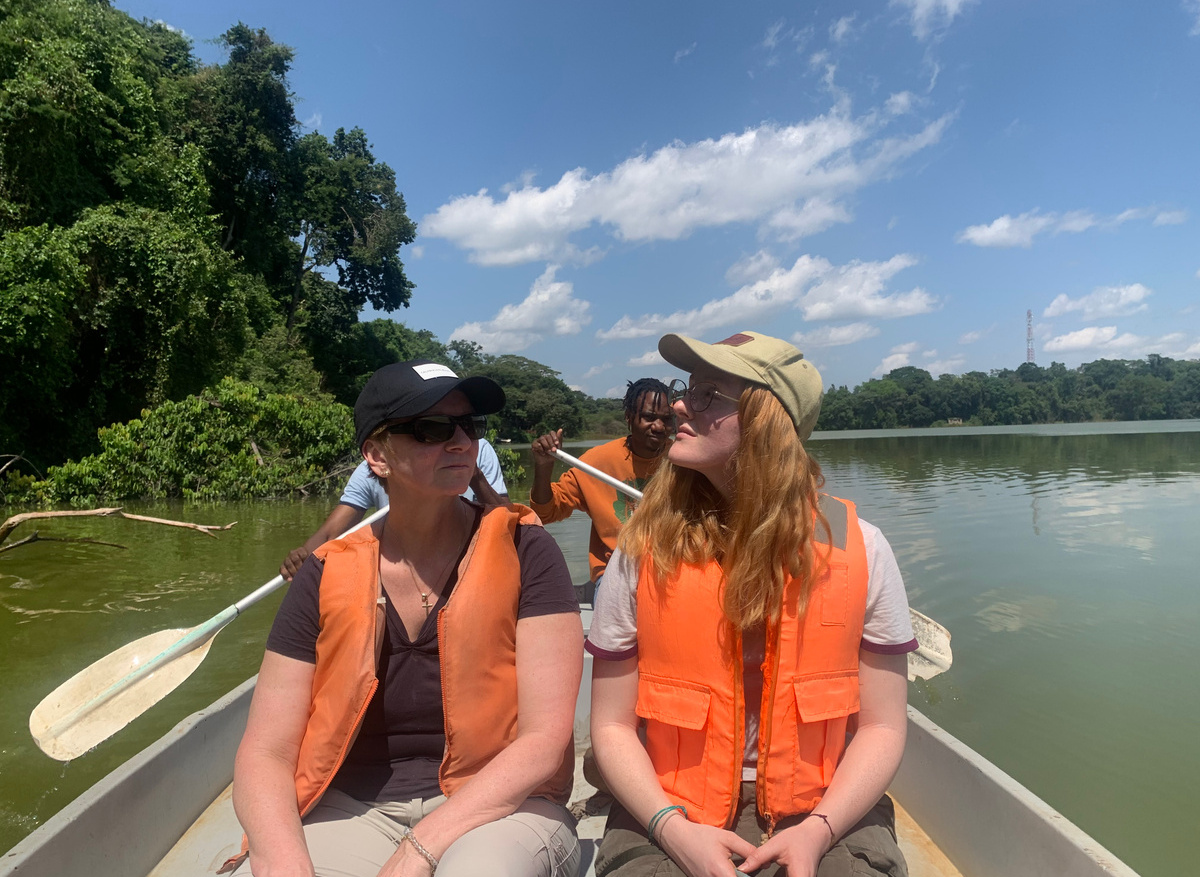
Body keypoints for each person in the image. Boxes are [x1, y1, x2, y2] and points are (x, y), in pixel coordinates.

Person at [229, 359, 583, 877]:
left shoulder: (528, 550)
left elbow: (544, 741)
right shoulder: (325, 573)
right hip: (353, 807)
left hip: (505, 804)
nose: (462, 442)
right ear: (377, 455)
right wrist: (282, 862)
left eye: (470, 426)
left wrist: (418, 851)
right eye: (432, 429)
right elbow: (265, 751)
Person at [587, 332, 917, 877]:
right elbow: (612, 727)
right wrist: (674, 830)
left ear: (767, 422)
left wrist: (817, 833)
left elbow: (883, 728)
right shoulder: (641, 553)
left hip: (824, 806)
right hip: (670, 807)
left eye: (709, 394)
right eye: (686, 389)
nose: (677, 405)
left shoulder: (864, 549)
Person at [280, 439, 509, 580]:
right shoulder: (371, 468)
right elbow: (332, 533)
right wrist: (303, 557)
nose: (458, 442)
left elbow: (511, 526)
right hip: (401, 570)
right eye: (430, 431)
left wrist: (475, 476)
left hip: (471, 566)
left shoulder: (476, 450)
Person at [529, 378, 672, 588]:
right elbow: (545, 513)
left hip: (669, 569)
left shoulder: (683, 460)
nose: (659, 427)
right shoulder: (596, 462)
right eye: (649, 417)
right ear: (629, 418)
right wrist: (543, 466)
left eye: (667, 419)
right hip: (616, 574)